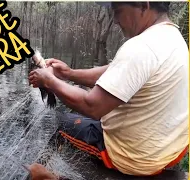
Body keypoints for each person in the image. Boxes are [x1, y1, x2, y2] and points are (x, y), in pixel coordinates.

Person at [28, 1, 189, 179]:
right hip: (164, 150)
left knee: (64, 123)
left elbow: (92, 106)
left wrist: (49, 80)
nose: (114, 20)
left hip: (134, 158)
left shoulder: (142, 47)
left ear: (144, 5)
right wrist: (69, 73)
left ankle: (43, 174)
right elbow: (116, 72)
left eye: (118, 11)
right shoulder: (171, 37)